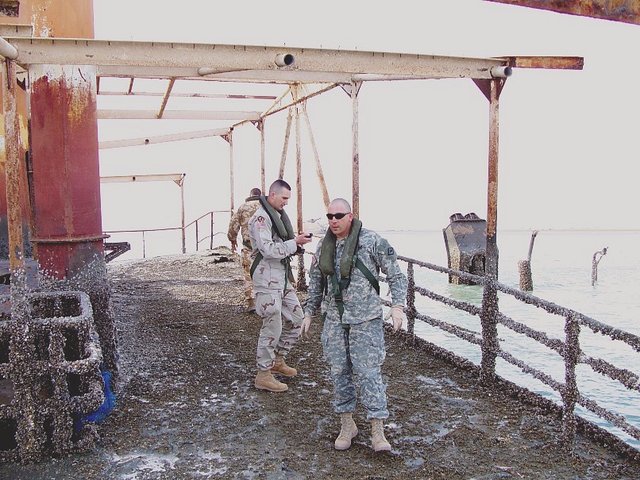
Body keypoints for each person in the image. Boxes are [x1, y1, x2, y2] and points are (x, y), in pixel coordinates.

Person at [301, 198, 407, 452]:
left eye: (339, 215)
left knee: (369, 373)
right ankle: (347, 425)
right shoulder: (322, 247)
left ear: (350, 215)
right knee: (339, 372)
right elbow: (316, 282)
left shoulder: (372, 241)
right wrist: (309, 312)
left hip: (366, 320)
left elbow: (395, 274)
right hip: (335, 321)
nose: (334, 221)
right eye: (329, 216)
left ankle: (377, 431)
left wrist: (398, 306)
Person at [248, 179, 312, 392]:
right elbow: (267, 249)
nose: (286, 203)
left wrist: (296, 244)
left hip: (281, 278)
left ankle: (277, 360)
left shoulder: (276, 216)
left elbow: (280, 245)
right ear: (272, 195)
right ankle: (263, 374)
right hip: (266, 279)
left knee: (297, 319)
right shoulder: (261, 218)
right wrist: (295, 243)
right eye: (284, 198)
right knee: (272, 324)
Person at [227, 187, 262, 312]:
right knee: (267, 273)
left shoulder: (242, 207)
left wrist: (232, 239)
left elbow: (233, 225)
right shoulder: (267, 206)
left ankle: (251, 302)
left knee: (248, 274)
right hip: (266, 248)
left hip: (249, 247)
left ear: (250, 195)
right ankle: (267, 301)